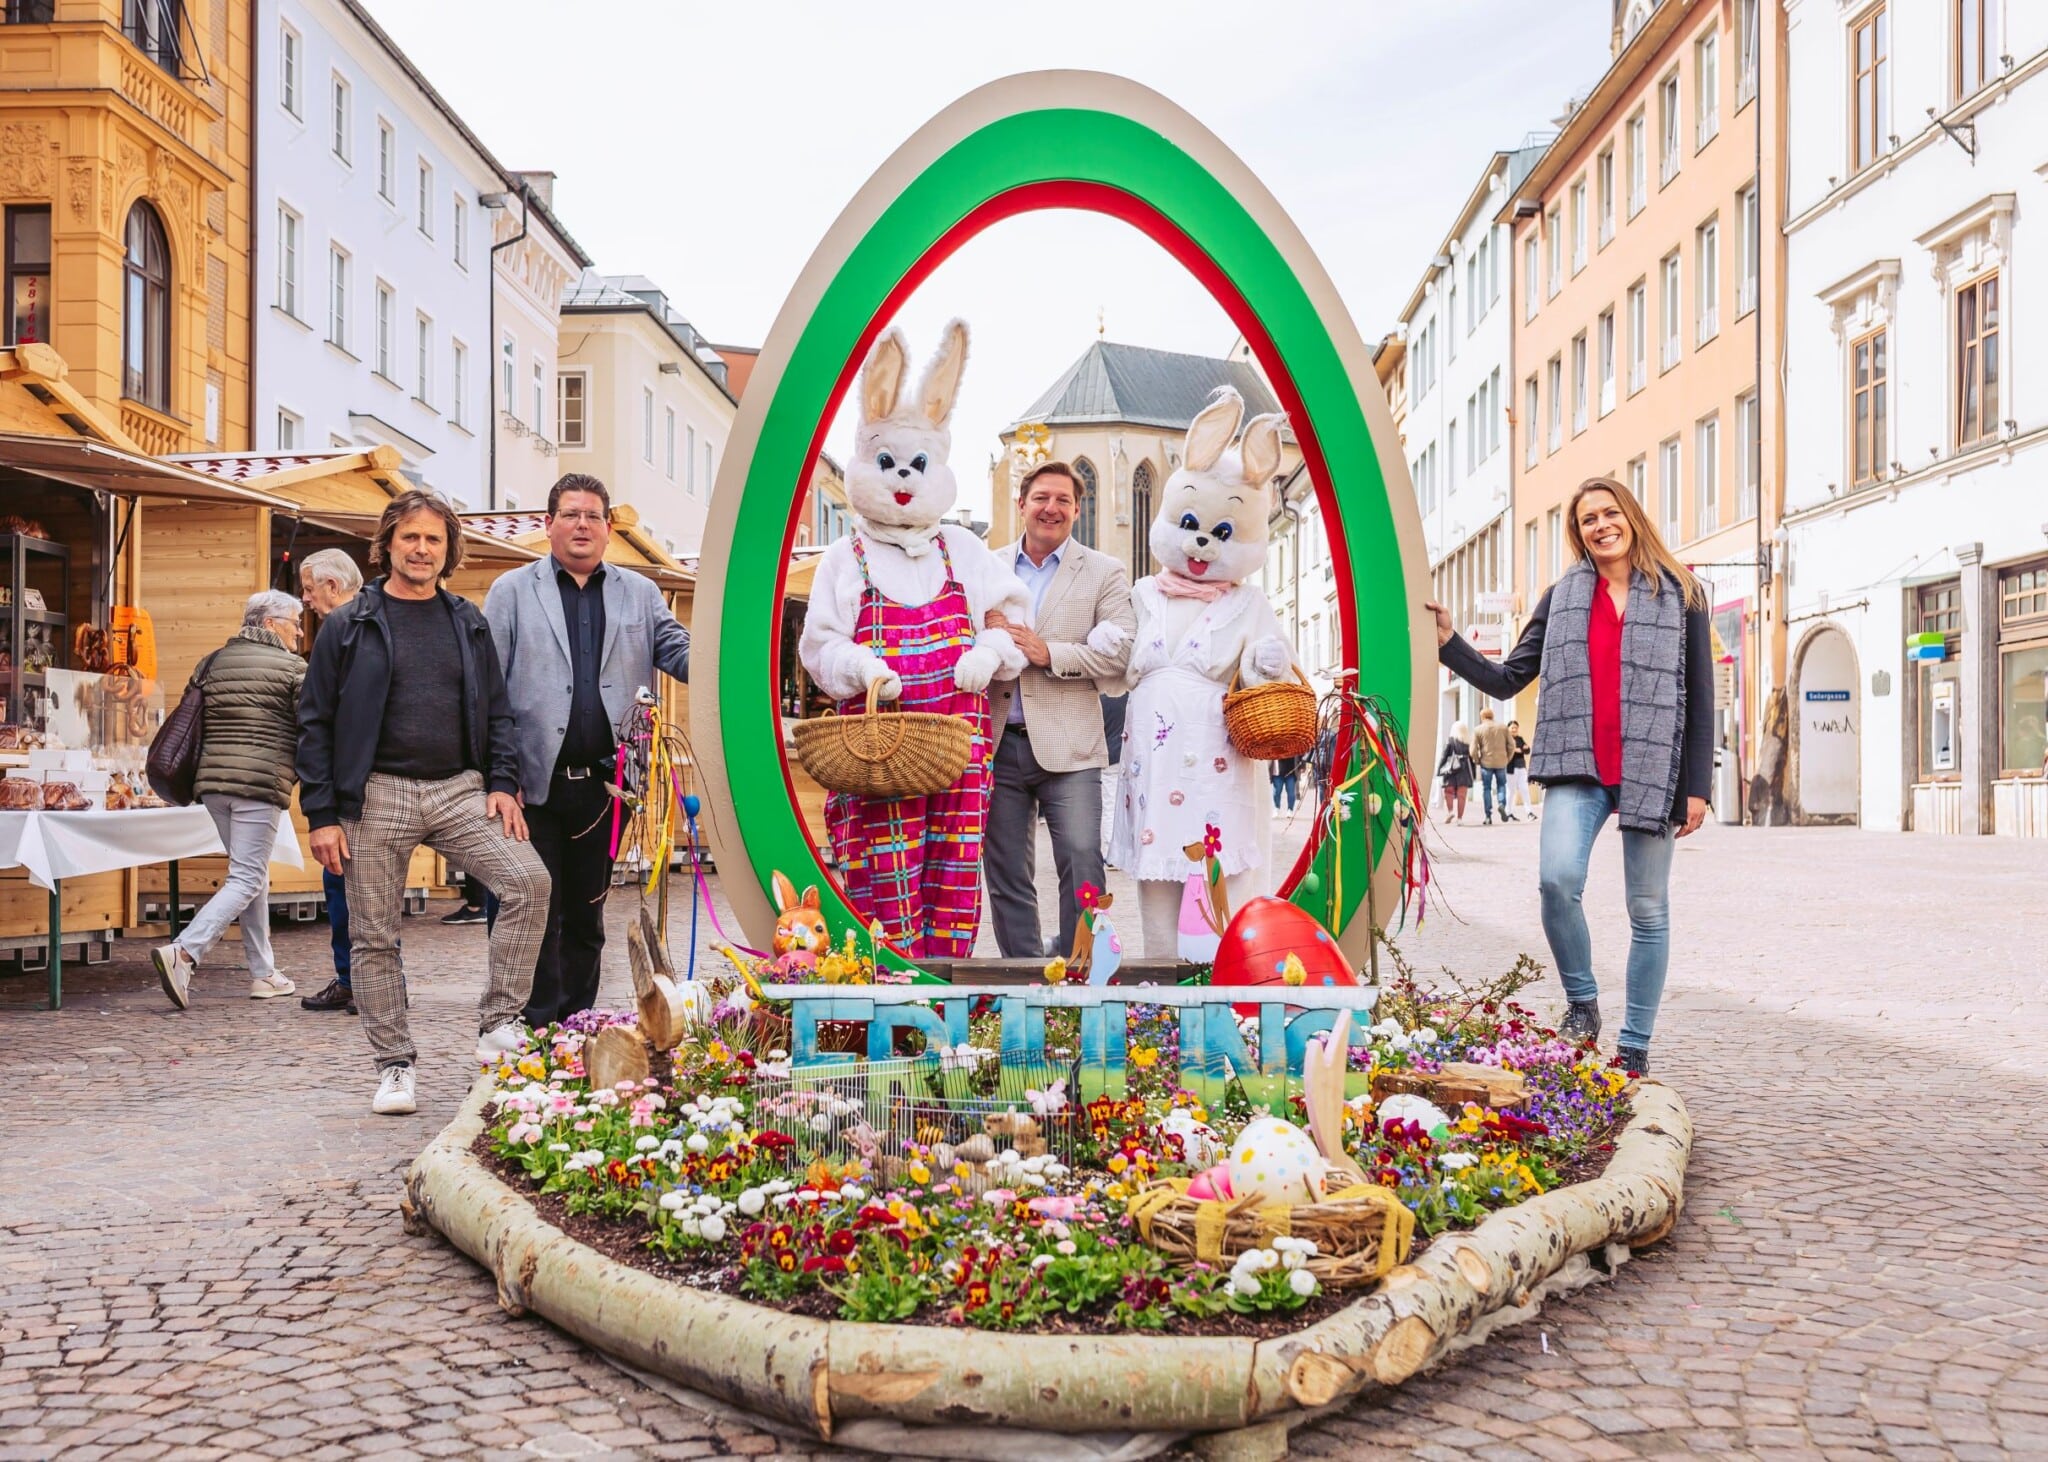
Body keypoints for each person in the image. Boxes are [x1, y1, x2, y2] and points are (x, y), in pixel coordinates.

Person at [1427, 475, 1713, 1076]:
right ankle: (1583, 1003)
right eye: (1589, 520)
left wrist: (1697, 787)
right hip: (1578, 765)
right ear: (1578, 533)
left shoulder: (1682, 593)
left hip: (1651, 769)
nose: (1602, 525)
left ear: (1630, 516)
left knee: (1649, 910)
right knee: (1557, 881)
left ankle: (1634, 1045)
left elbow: (1700, 695)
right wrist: (1450, 641)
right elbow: (1509, 679)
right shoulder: (1562, 598)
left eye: (1611, 514)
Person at [298, 489, 551, 1116]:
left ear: (448, 550)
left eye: (433, 538)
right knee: (375, 934)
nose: (421, 548)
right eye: (410, 536)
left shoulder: (466, 621)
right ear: (387, 544)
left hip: (459, 788)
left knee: (528, 881)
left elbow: (498, 712)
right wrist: (323, 814)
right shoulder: (347, 624)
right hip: (376, 793)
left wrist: (501, 780)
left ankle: (498, 1023)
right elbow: (314, 722)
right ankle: (393, 1066)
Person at [484, 472, 691, 1028]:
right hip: (530, 785)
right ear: (548, 525)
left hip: (606, 785)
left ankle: (576, 1026)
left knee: (586, 913)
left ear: (607, 530)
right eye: (571, 514)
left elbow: (679, 651)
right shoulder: (511, 591)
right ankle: (531, 1028)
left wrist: (730, 646)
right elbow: (487, 688)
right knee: (535, 909)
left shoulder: (640, 593)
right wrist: (497, 777)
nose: (582, 524)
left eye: (593, 516)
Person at [983, 460, 1136, 960]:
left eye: (1064, 500)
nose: (1052, 508)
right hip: (998, 743)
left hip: (1072, 746)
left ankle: (1078, 973)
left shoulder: (1105, 572)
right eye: (1042, 497)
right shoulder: (987, 567)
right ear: (1022, 503)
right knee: (1005, 869)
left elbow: (1122, 651)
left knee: (1082, 861)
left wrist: (1049, 652)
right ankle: (1025, 974)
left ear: (1076, 509)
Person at [152, 591, 307, 1007]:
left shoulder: (212, 661)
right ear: (271, 624)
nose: (300, 630)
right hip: (257, 784)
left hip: (213, 787)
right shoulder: (294, 669)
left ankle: (264, 973)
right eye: (296, 621)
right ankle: (184, 952)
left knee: (249, 876)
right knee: (247, 877)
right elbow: (311, 725)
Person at [296, 549, 367, 1014]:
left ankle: (367, 982)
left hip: (358, 788)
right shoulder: (352, 629)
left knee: (356, 889)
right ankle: (355, 979)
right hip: (348, 784)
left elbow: (325, 718)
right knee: (347, 886)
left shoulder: (352, 633)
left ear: (333, 588)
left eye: (308, 588)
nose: (305, 600)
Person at [1471, 708, 1514, 824]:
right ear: (1492, 715)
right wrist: (1507, 758)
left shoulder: (1478, 729)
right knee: (1501, 785)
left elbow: (1473, 750)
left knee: (1487, 788)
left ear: (1482, 717)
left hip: (1486, 762)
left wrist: (1477, 760)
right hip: (1501, 761)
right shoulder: (1503, 727)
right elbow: (1512, 745)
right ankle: (1501, 804)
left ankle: (1488, 816)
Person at [1436, 721, 1474, 822]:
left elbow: (1444, 757)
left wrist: (1439, 770)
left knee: (1449, 792)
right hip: (1464, 770)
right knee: (1462, 795)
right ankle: (1460, 818)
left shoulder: (1450, 741)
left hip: (1451, 770)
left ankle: (1450, 811)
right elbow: (1472, 759)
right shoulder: (1469, 742)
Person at [1506, 718, 1535, 820]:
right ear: (1508, 728)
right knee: (1511, 791)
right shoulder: (1506, 739)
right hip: (1511, 768)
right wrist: (1516, 750)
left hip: (1521, 767)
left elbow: (1527, 750)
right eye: (1512, 727)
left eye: (1516, 728)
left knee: (1525, 790)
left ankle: (1529, 812)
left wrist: (1520, 750)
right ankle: (1508, 813)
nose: (1514, 729)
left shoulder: (1520, 739)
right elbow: (1507, 751)